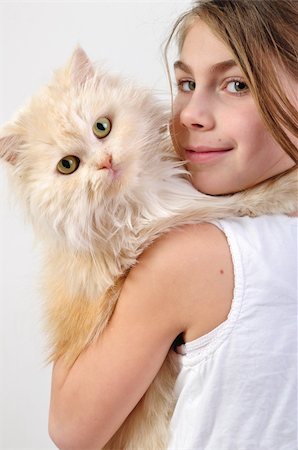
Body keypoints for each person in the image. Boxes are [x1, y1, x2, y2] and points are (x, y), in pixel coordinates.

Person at [48, 1, 297, 449]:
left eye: (236, 84)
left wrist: (81, 245)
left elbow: (71, 429)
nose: (189, 114)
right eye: (186, 83)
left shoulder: (192, 256)